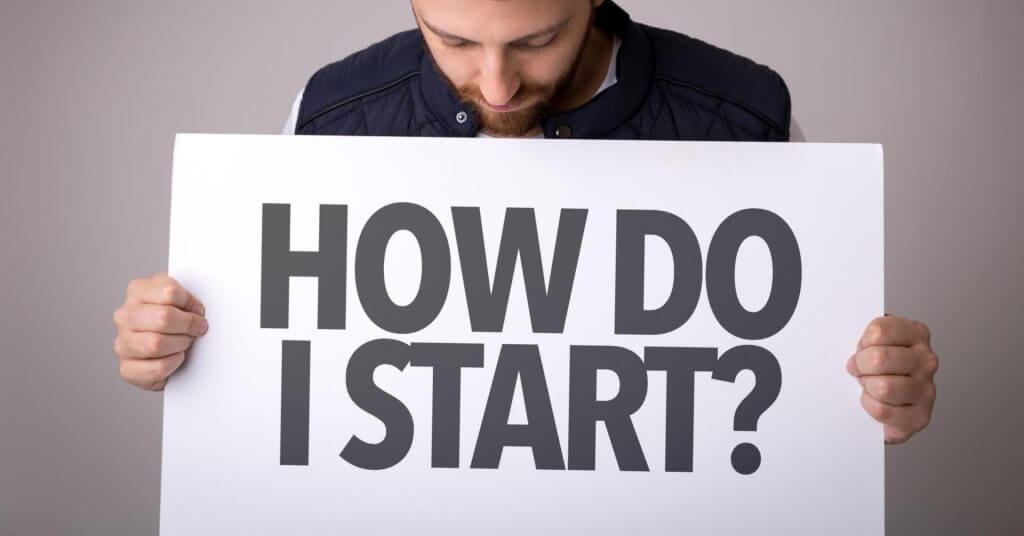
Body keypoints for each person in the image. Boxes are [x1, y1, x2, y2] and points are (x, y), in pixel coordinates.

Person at [111, 0, 937, 445]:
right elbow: (284, 382)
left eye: (538, 40)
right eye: (454, 41)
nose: (498, 84)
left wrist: (878, 395)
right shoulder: (331, 116)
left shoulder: (743, 116)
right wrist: (176, 349)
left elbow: (798, 391)